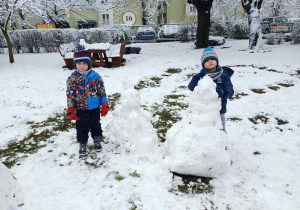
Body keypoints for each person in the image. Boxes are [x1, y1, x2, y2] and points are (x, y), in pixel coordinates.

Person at [66, 44, 109, 156]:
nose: (82, 66)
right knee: (82, 127)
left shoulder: (96, 76)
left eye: (84, 63)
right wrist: (70, 108)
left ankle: (97, 139)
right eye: (79, 63)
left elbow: (102, 91)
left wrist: (104, 104)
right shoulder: (72, 78)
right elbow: (70, 94)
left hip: (94, 108)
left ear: (89, 63)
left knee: (96, 125)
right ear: (75, 64)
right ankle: (83, 143)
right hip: (81, 108)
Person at [188, 47, 234, 133]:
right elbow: (191, 87)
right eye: (207, 60)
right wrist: (197, 77)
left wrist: (223, 92)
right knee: (206, 128)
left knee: (220, 127)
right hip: (204, 109)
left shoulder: (224, 76)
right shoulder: (202, 76)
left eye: (213, 59)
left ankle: (222, 144)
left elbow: (230, 91)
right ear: (203, 64)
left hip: (219, 109)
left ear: (217, 61)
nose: (210, 61)